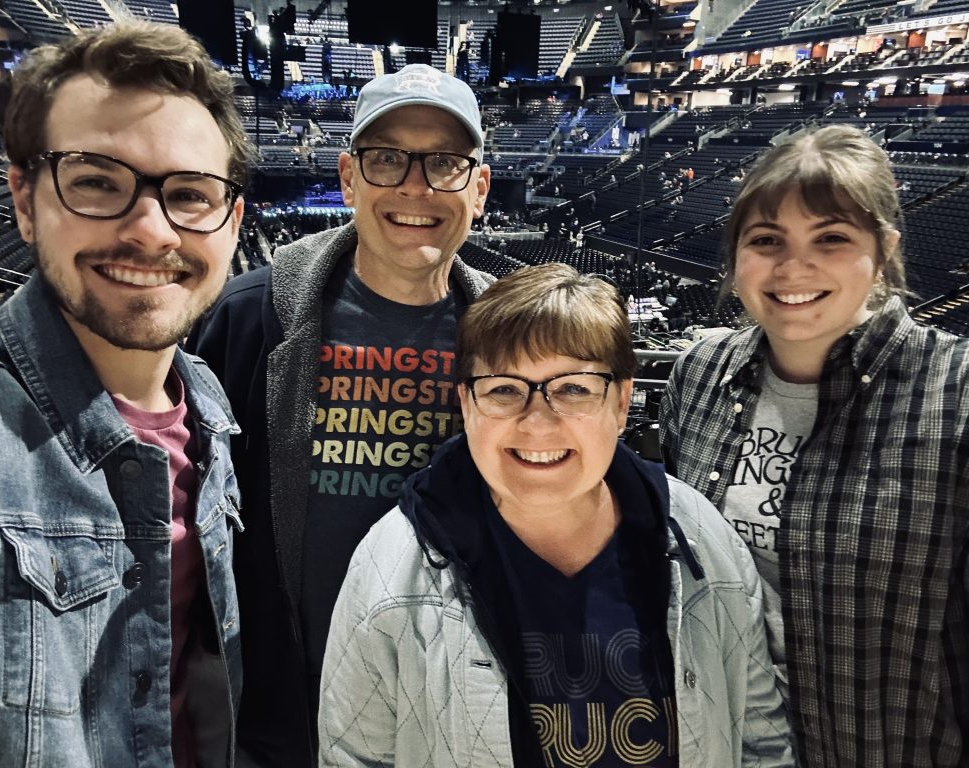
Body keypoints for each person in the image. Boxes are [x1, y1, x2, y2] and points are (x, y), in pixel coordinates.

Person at [319, 263, 793, 766]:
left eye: (573, 388)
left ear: (622, 402)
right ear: (466, 401)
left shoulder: (703, 535)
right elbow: (356, 757)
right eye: (503, 389)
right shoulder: (389, 567)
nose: (538, 423)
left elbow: (760, 743)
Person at [0, 22, 252, 766]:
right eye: (95, 182)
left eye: (189, 194)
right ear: (24, 199)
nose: (150, 231)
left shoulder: (208, 405)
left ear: (232, 222)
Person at [188, 63, 494, 765]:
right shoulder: (249, 318)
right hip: (277, 720)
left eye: (444, 163)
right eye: (388, 159)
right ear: (349, 177)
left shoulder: (511, 340)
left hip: (445, 715)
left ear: (477, 187)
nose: (415, 186)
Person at [659, 124, 969, 766]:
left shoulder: (956, 393)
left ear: (881, 252)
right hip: (726, 744)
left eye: (831, 239)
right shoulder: (699, 377)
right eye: (766, 240)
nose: (793, 267)